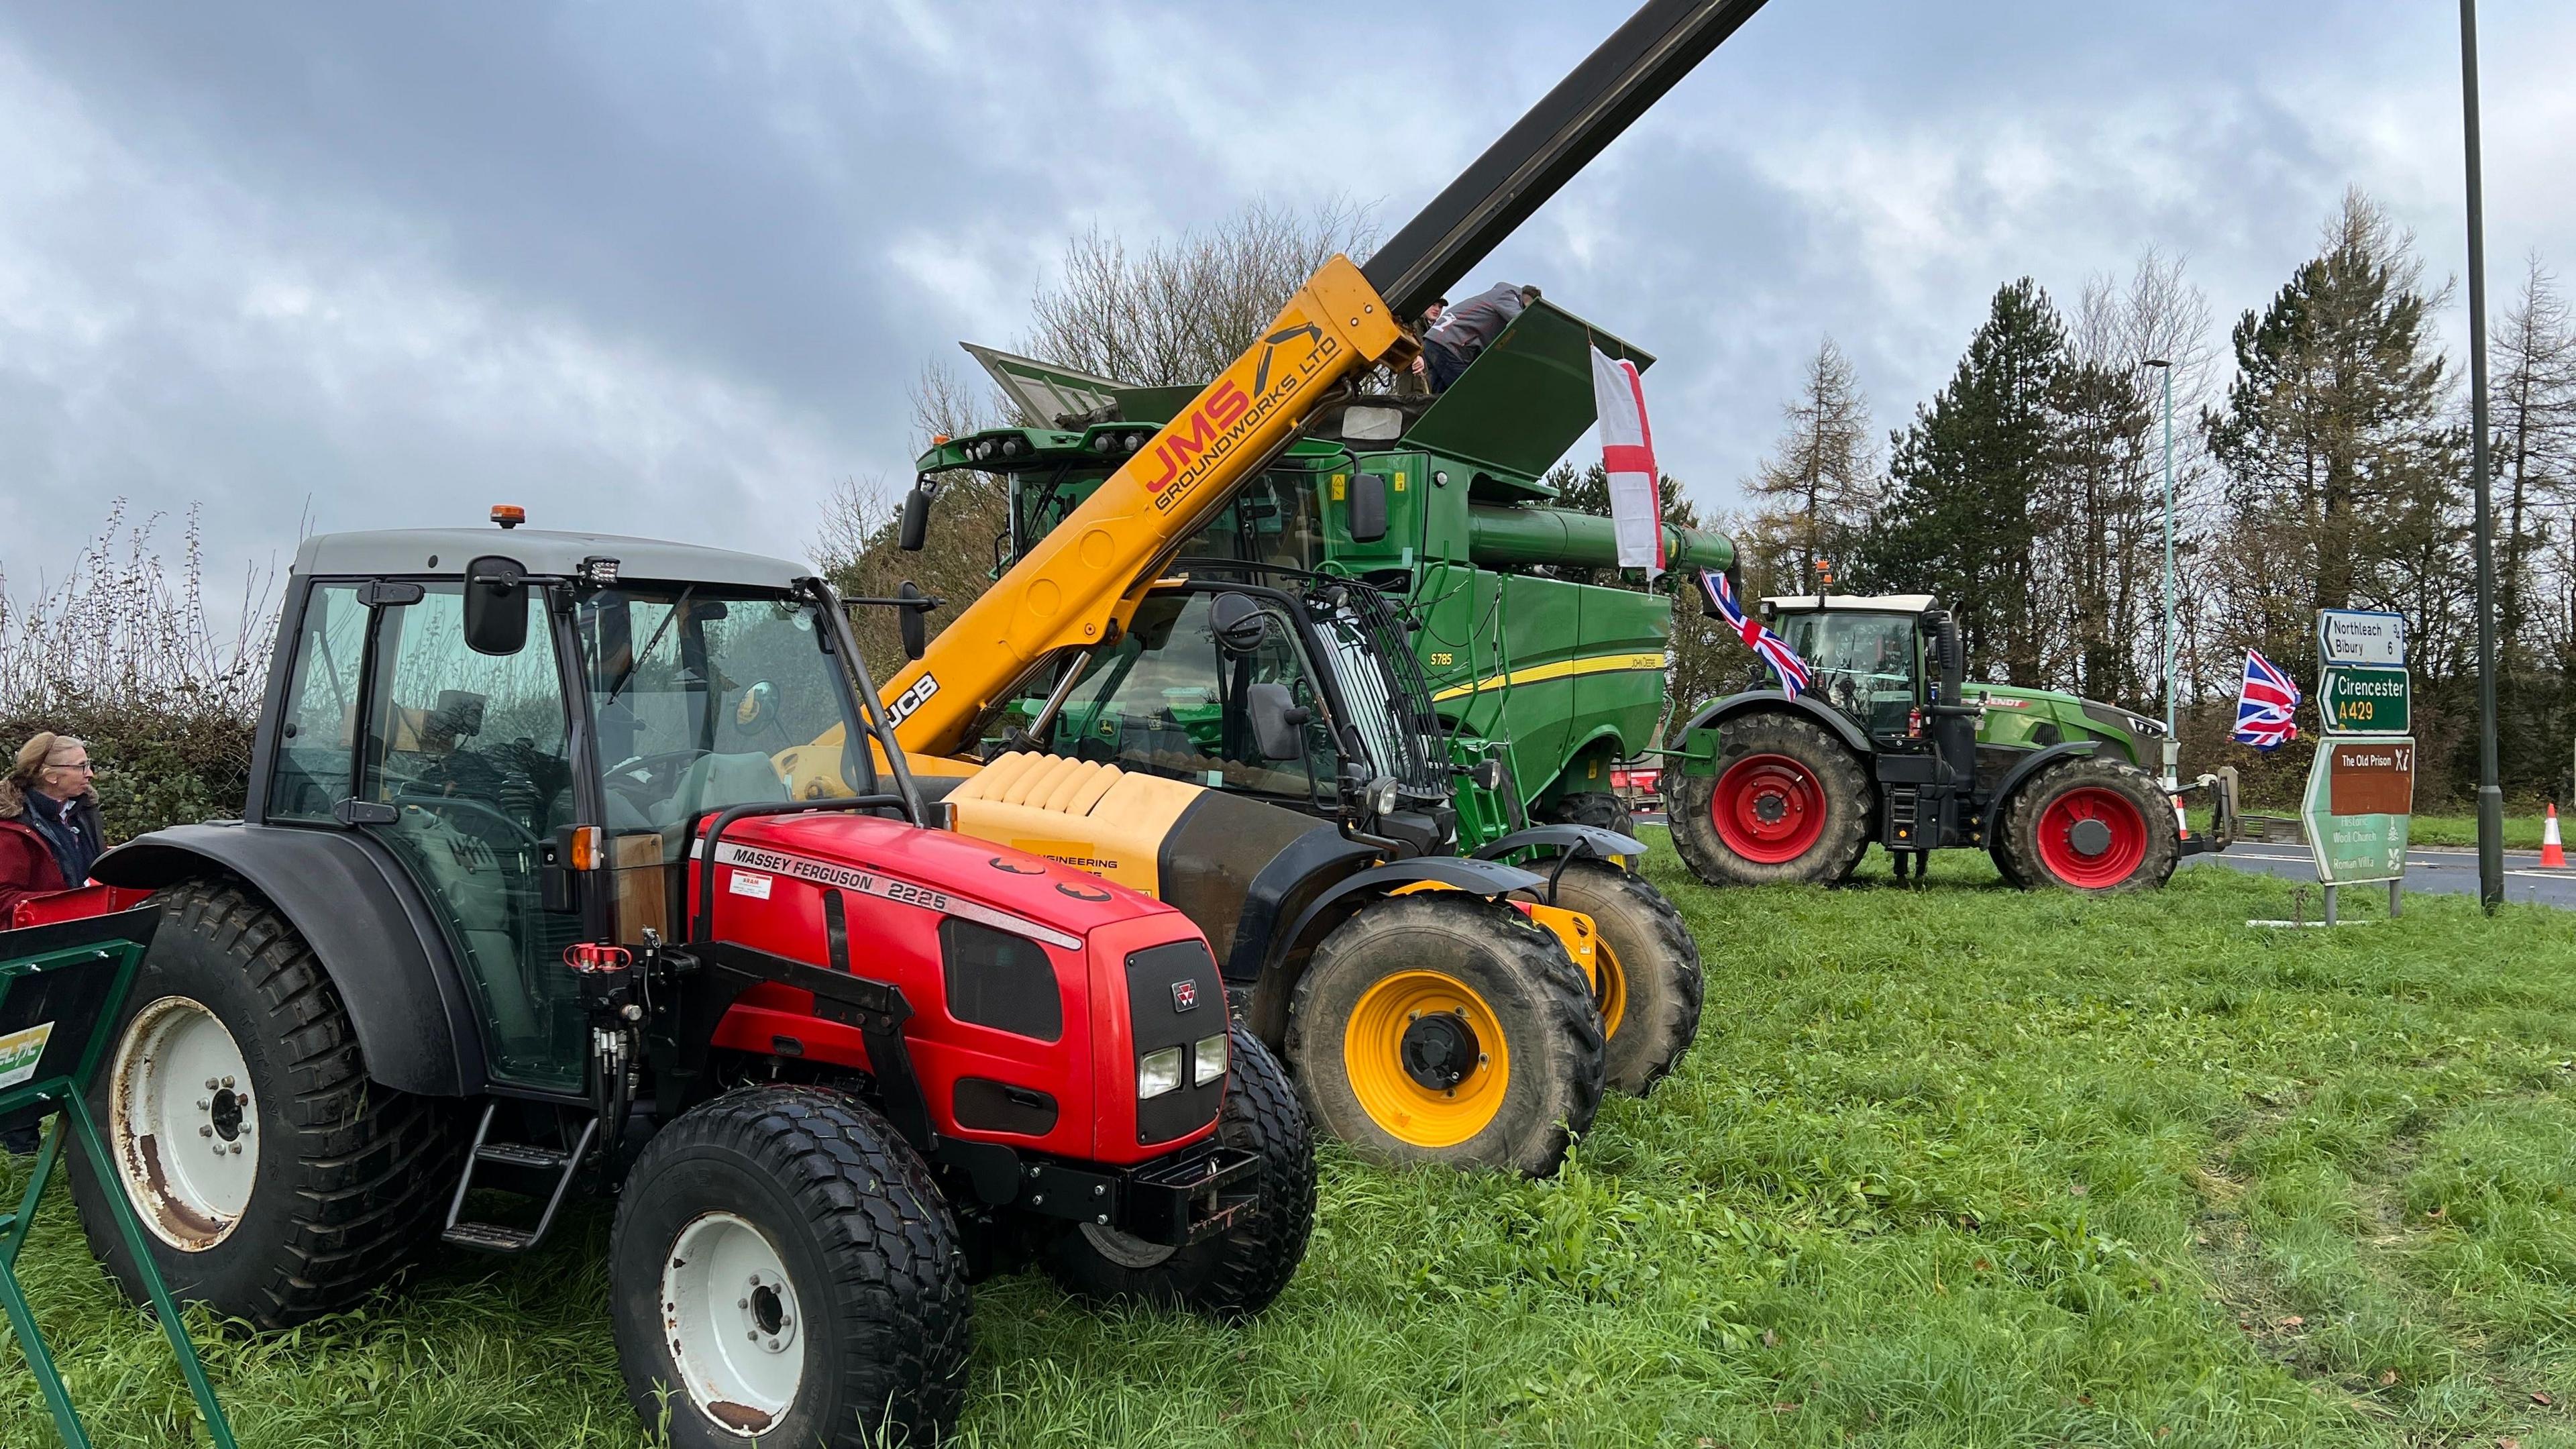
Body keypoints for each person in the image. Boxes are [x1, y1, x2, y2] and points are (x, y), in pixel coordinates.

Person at [1, 732, 103, 919]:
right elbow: (4, 900)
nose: (90, 774)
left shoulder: (84, 811)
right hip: (41, 943)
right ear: (51, 776)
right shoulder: (10, 828)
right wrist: (76, 903)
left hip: (90, 930)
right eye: (81, 766)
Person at [1420, 283, 1540, 393]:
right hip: (1450, 346)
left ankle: (1409, 414)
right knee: (1470, 393)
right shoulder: (1508, 295)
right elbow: (1523, 323)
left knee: (1440, 399)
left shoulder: (1496, 302)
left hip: (1435, 342)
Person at [1393, 298, 1447, 398]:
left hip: (1423, 388)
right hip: (1411, 388)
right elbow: (1398, 340)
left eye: (1440, 307)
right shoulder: (1412, 321)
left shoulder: (1431, 331)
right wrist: (1415, 356)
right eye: (1433, 305)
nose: (1437, 309)